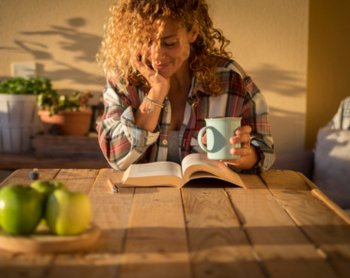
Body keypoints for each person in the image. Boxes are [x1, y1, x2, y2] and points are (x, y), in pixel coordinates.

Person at [96, 0, 275, 174]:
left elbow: (265, 151)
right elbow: (116, 156)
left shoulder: (229, 77)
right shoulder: (124, 79)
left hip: (212, 200)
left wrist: (245, 157)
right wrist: (156, 93)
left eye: (170, 43)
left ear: (193, 32)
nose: (157, 56)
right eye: (145, 41)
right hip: (142, 201)